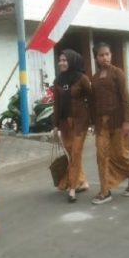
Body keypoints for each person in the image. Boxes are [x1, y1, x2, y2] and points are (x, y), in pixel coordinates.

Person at [89, 42, 129, 205]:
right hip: (101, 123)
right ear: (96, 58)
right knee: (101, 156)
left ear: (111, 55)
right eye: (101, 55)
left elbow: (125, 98)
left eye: (107, 54)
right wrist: (92, 122)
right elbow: (93, 102)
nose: (105, 58)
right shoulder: (95, 78)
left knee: (120, 153)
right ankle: (105, 190)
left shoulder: (118, 73)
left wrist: (127, 121)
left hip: (118, 121)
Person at [53, 49, 91, 203]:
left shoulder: (82, 78)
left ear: (72, 61)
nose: (61, 63)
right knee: (71, 153)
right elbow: (57, 104)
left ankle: (73, 188)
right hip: (64, 124)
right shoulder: (58, 80)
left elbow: (91, 99)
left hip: (79, 122)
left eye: (65, 60)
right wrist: (55, 125)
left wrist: (93, 121)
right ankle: (82, 181)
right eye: (60, 60)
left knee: (75, 154)